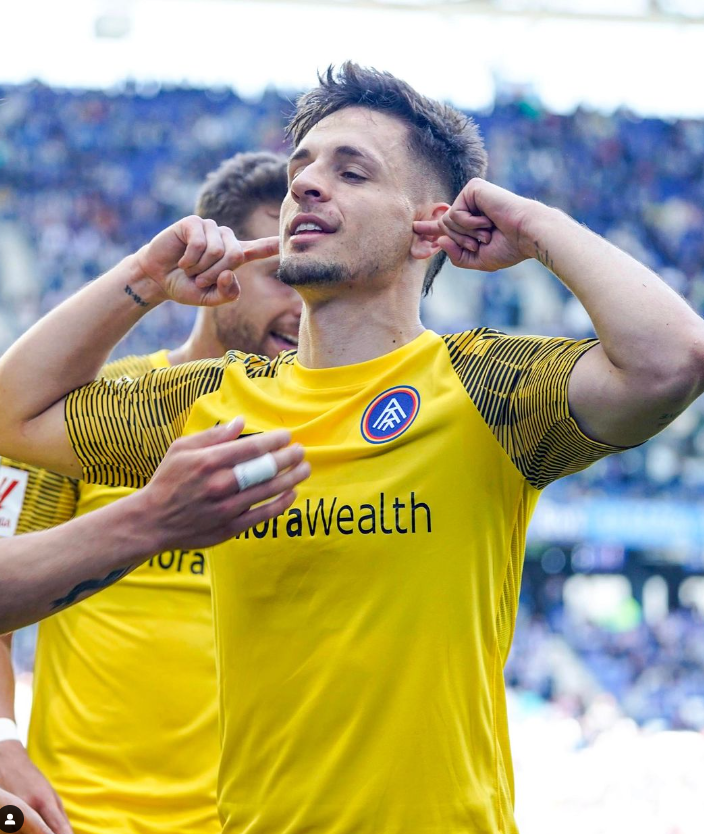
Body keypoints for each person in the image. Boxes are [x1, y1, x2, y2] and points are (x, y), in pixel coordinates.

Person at [1, 62, 704, 833]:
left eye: (351, 170)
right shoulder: (215, 402)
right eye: (301, 166)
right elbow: (16, 415)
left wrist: (538, 230)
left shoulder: (486, 386)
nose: (305, 184)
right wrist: (139, 277)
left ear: (428, 224)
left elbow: (671, 359)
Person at [0, 152, 301, 834]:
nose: (302, 305)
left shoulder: (326, 429)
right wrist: (0, 738)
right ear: (219, 268)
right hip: (83, 814)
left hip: (258, 818)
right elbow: (3, 586)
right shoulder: (87, 415)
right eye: (282, 277)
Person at [0, 419, 306, 833]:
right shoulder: (99, 413)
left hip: (241, 816)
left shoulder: (310, 428)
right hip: (75, 811)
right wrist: (3, 742)